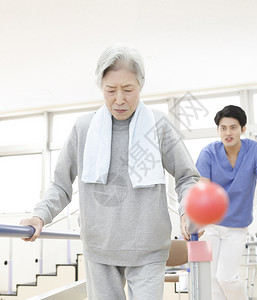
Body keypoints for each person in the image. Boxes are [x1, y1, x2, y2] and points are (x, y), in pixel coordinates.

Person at [20, 45, 200, 300]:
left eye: (128, 90)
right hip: (100, 247)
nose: (119, 99)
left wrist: (188, 209)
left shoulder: (158, 126)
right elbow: (61, 185)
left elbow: (186, 176)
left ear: (141, 85)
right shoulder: (83, 128)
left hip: (148, 247)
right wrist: (39, 216)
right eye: (110, 90)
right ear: (101, 87)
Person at [180, 105, 257, 300]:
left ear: (243, 129)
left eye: (233, 127)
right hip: (211, 225)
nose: (228, 132)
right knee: (211, 279)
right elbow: (202, 190)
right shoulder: (208, 153)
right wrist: (193, 221)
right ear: (218, 130)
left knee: (227, 278)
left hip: (237, 227)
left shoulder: (256, 151)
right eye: (223, 128)